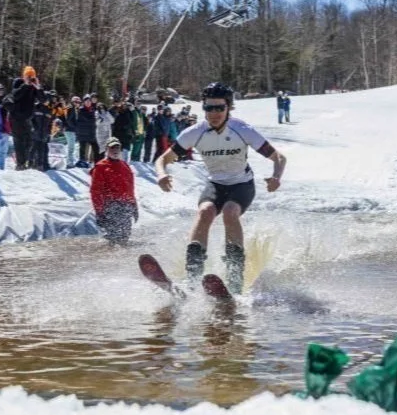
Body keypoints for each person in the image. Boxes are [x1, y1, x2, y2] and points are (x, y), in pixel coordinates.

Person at [155, 82, 286, 294]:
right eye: (209, 108)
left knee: (229, 212)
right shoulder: (195, 132)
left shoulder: (242, 130)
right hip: (215, 184)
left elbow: (279, 157)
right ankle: (193, 277)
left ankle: (235, 276)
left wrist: (276, 177)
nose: (214, 113)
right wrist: (162, 174)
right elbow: (163, 159)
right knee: (205, 212)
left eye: (219, 108)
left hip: (242, 184)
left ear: (229, 108)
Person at [90, 138, 138, 244]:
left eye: (117, 147)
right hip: (111, 207)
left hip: (126, 206)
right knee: (114, 239)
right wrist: (99, 211)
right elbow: (95, 191)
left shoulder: (125, 165)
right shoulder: (100, 167)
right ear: (107, 149)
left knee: (125, 237)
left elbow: (130, 188)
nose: (115, 150)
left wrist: (134, 206)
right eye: (112, 148)